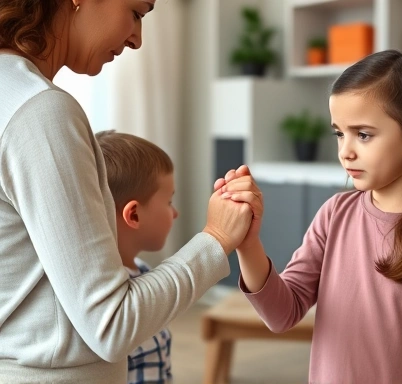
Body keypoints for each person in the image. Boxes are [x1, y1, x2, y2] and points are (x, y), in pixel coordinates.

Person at [0, 1, 253, 383]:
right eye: (136, 12)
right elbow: (111, 325)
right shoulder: (38, 111)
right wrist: (216, 239)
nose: (137, 39)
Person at [216, 49, 402, 383]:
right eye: (339, 133)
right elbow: (282, 313)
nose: (345, 151)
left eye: (363, 134)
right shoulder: (334, 215)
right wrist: (249, 243)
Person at [95, 130, 178, 384]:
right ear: (134, 216)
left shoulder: (145, 272)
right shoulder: (106, 302)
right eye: (169, 201)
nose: (175, 213)